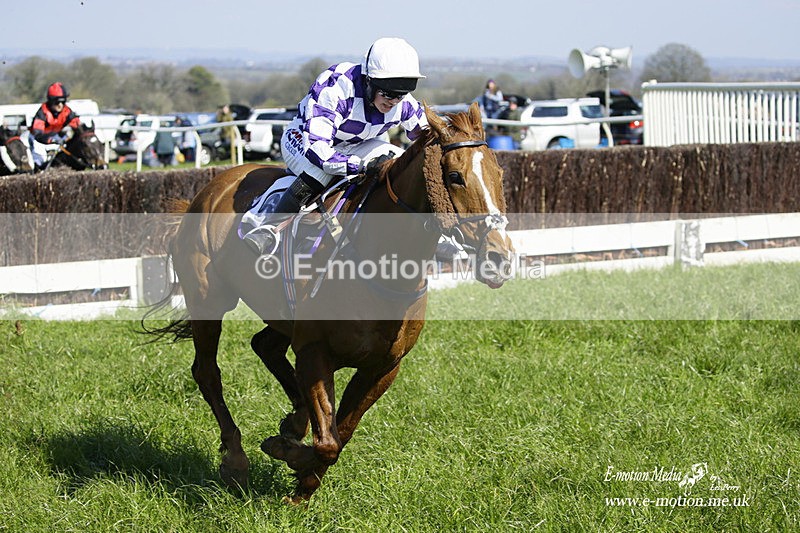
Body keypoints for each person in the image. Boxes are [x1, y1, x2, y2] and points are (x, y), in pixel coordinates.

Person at [242, 37, 428, 255]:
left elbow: (429, 135)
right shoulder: (336, 87)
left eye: (401, 94)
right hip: (305, 141)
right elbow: (319, 151)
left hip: (355, 146)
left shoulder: (402, 101)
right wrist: (360, 166)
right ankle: (269, 227)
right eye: (387, 93)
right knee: (321, 173)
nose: (394, 102)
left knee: (399, 161)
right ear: (369, 81)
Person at [29, 82, 81, 169]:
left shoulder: (67, 111)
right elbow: (38, 134)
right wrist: (52, 139)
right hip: (38, 142)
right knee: (39, 163)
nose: (60, 105)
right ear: (51, 101)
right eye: (57, 102)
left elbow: (77, 124)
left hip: (56, 141)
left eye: (63, 101)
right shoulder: (42, 112)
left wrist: (70, 131)